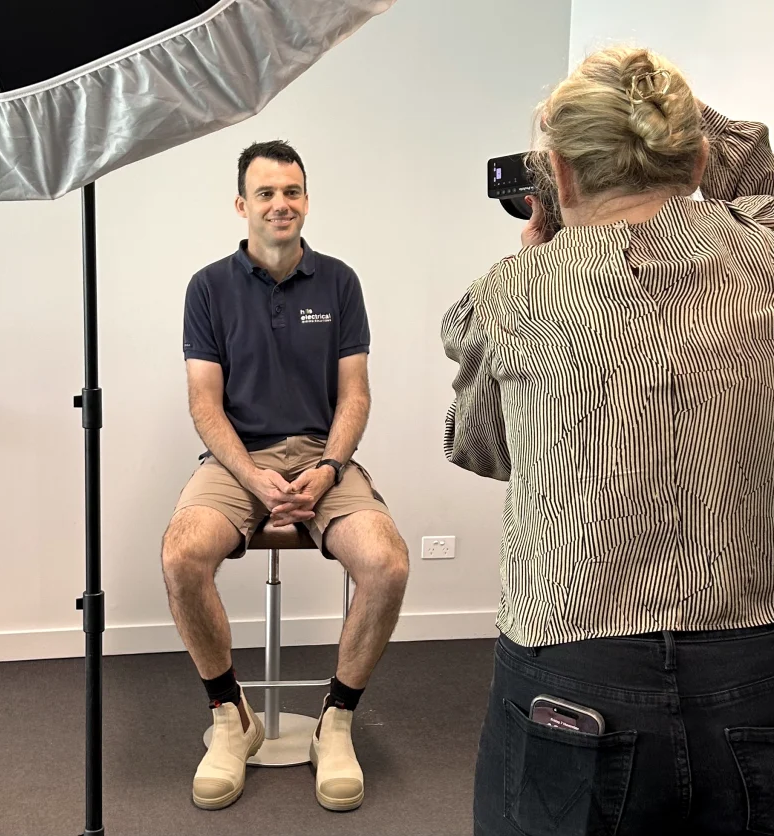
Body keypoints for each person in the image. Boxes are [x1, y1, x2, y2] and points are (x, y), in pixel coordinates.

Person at [442, 46, 774, 835]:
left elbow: (481, 449)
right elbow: (754, 164)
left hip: (571, 670)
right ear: (693, 157)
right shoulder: (764, 255)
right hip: (755, 664)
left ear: (554, 176)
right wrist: (660, 106)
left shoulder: (508, 291)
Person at [161, 139, 410, 812]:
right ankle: (229, 718)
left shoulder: (340, 281)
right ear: (242, 205)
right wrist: (251, 476)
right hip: (237, 458)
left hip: (323, 457)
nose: (281, 204)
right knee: (182, 553)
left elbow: (354, 394)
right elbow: (203, 404)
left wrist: (329, 468)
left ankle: (337, 719)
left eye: (292, 191)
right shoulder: (208, 288)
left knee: (387, 564)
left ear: (306, 199)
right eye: (266, 193)